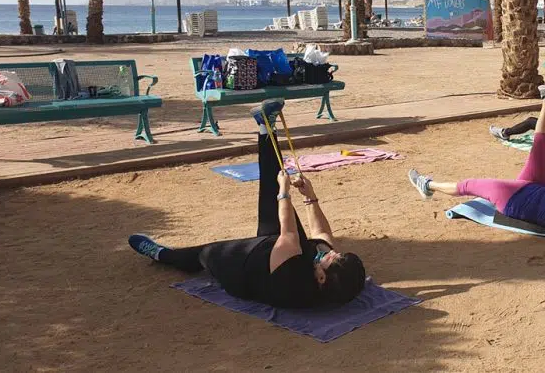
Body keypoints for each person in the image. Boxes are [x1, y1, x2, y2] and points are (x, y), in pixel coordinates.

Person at [126, 99, 366, 308]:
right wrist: (309, 196)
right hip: (276, 247)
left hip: (245, 268)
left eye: (332, 258)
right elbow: (322, 235)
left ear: (321, 278)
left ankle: (161, 254)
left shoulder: (293, 281)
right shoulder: (328, 272)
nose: (332, 253)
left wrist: (284, 192)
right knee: (274, 189)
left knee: (202, 254)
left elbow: (289, 235)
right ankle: (265, 126)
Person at [408, 85, 545, 241]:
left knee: (468, 185)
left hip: (513, 199)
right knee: (539, 146)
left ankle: (427, 185)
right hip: (534, 187)